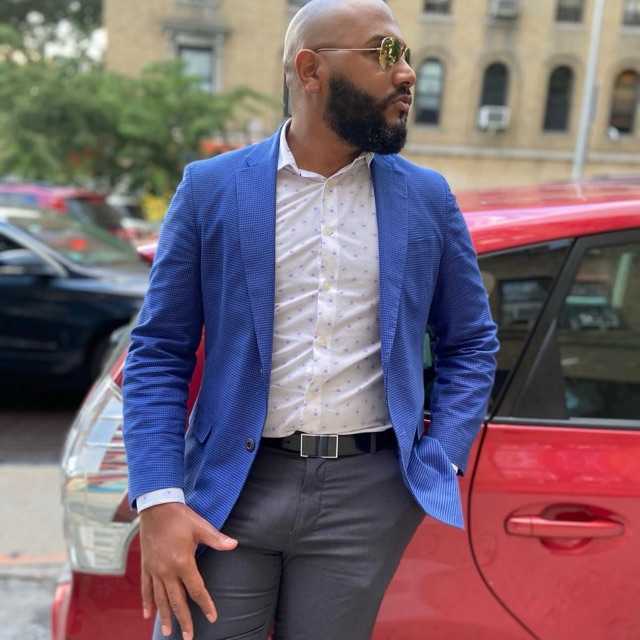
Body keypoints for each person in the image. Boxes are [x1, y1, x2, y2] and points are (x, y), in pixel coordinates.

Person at [122, 0, 499, 638]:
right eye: (384, 54)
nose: (407, 73)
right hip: (229, 487)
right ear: (310, 70)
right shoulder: (212, 188)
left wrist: (441, 457)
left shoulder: (426, 198)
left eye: (407, 56)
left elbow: (471, 343)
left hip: (366, 497)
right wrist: (158, 498)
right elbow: (159, 351)